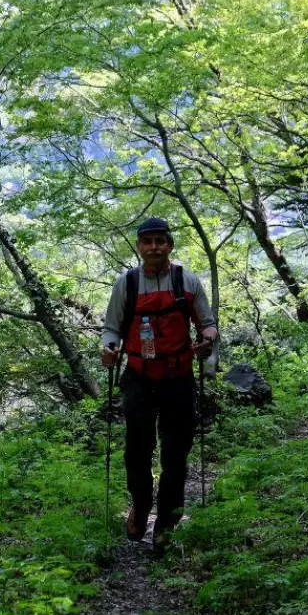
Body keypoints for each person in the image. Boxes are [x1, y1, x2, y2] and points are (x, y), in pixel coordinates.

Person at [102, 217, 219, 550]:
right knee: (136, 450)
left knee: (175, 453)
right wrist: (108, 348)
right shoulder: (127, 284)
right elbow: (112, 328)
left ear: (170, 245)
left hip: (178, 377)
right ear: (139, 246)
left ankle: (166, 523)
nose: (154, 247)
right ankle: (140, 507)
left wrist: (206, 341)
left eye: (160, 241)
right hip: (138, 376)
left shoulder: (188, 282)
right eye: (147, 241)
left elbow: (208, 325)